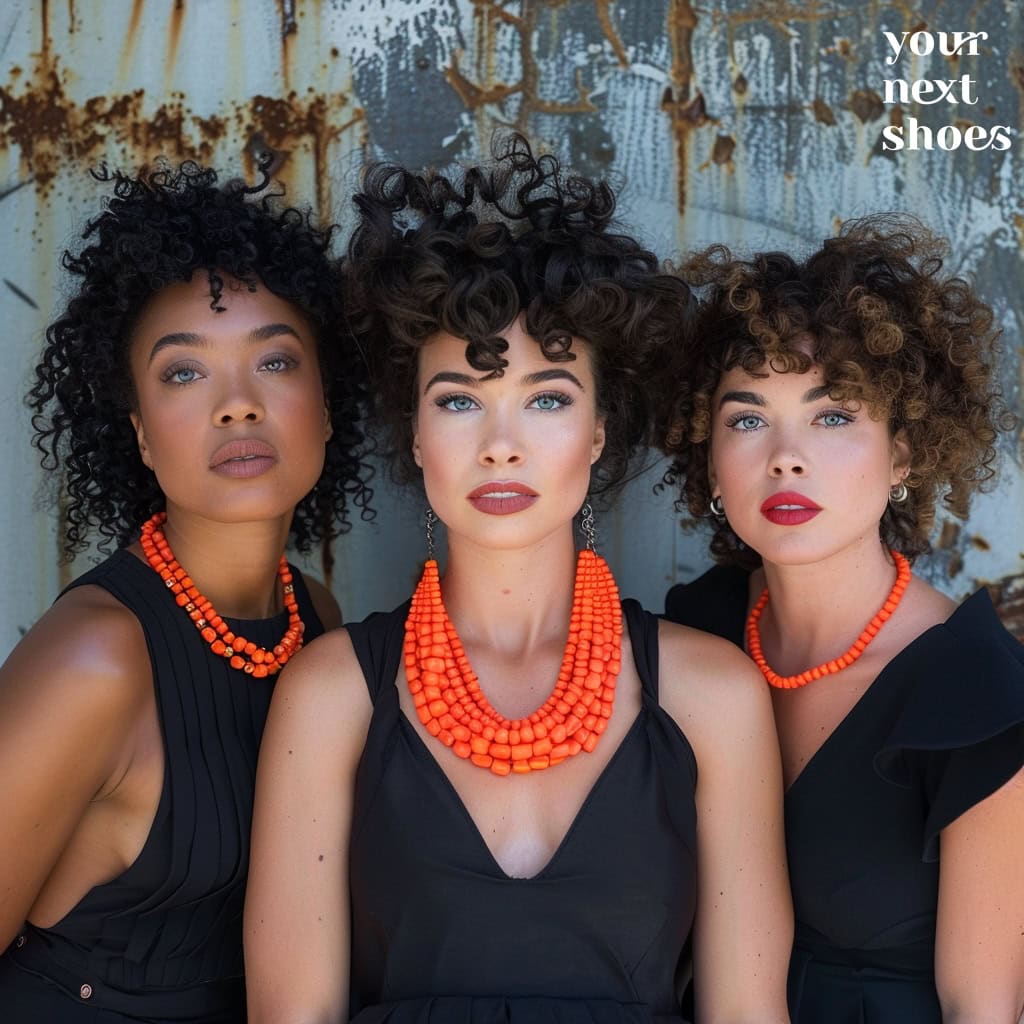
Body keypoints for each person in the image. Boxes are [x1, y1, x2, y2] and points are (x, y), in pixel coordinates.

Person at [244, 139, 792, 1024]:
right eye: (460, 399)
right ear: (415, 435)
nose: (502, 443)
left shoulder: (711, 695)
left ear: (601, 431)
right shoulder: (332, 694)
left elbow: (750, 1012)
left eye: (548, 397)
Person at [0, 159, 371, 1022]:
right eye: (182, 373)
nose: (237, 406)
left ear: (325, 402)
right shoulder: (97, 658)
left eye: (275, 362)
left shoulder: (314, 616)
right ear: (136, 431)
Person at [659, 216, 1024, 1023]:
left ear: (903, 454)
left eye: (834, 415)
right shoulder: (697, 631)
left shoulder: (977, 695)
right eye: (747, 418)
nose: (786, 455)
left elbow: (983, 1007)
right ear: (709, 459)